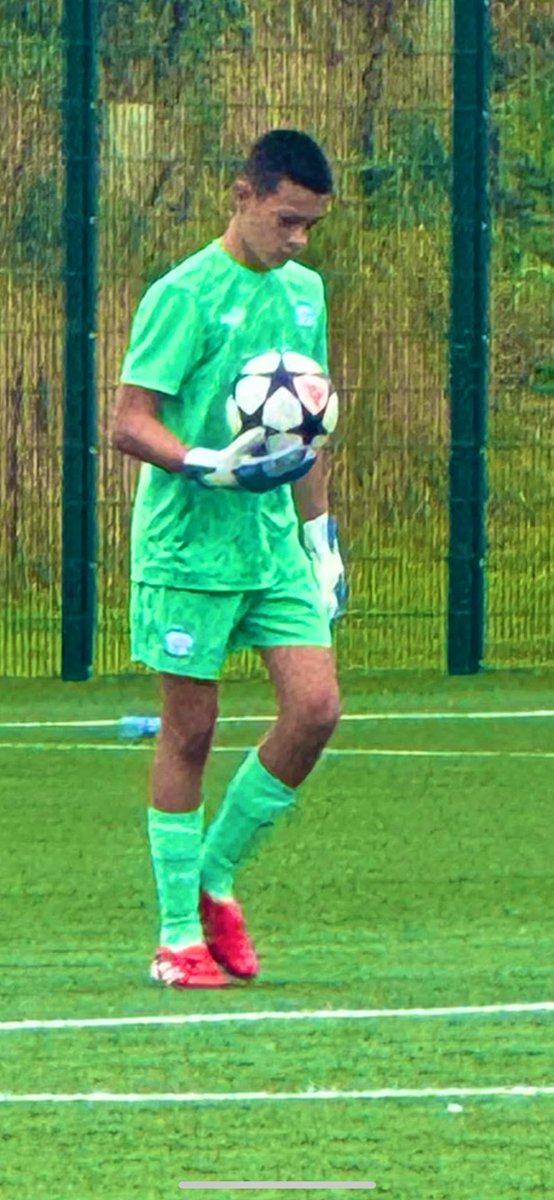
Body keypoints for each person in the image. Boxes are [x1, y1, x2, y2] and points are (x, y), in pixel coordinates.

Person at [112, 129, 346, 989]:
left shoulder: (307, 294)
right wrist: (205, 463)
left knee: (316, 709)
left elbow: (305, 430)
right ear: (242, 195)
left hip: (272, 546)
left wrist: (319, 541)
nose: (298, 241)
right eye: (287, 221)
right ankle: (178, 938)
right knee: (191, 729)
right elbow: (128, 421)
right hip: (188, 548)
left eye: (311, 227)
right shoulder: (184, 295)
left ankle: (213, 877)